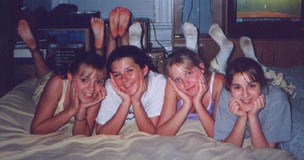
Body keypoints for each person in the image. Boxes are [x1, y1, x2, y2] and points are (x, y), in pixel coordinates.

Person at [17, 19, 108, 136]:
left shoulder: (98, 91)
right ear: (71, 77)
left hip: (71, 73)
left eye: (99, 82)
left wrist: (81, 111)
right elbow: (36, 129)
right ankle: (34, 50)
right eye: (84, 80)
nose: (91, 88)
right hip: (50, 84)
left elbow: (83, 135)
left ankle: (99, 49)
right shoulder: (58, 82)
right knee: (44, 76)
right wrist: (71, 110)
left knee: (95, 70)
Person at [156, 23, 233, 137]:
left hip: (211, 76)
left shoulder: (218, 83)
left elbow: (218, 134)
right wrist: (187, 104)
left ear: (201, 68)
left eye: (189, 73)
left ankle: (218, 50)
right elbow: (161, 134)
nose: (185, 83)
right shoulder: (173, 85)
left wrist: (197, 103)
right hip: (201, 71)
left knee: (220, 69)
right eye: (178, 79)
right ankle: (192, 47)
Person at [214, 57, 291, 148]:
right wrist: (241, 117)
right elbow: (228, 149)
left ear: (261, 85)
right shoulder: (227, 95)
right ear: (230, 88)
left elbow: (265, 154)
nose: (245, 94)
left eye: (251, 86)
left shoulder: (277, 99)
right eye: (237, 87)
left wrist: (253, 116)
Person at [95, 45, 167, 135]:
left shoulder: (158, 83)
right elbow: (102, 134)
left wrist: (136, 101)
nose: (124, 79)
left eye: (129, 71)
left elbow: (151, 133)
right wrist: (125, 102)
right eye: (117, 74)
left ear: (144, 70)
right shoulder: (110, 87)